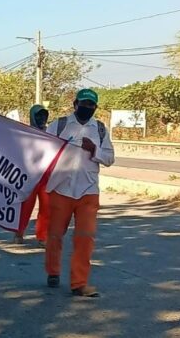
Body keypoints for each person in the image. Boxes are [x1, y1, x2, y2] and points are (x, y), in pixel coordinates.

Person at [44, 89, 115, 298]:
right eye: (84, 103)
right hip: (60, 188)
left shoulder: (100, 129)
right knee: (55, 235)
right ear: (75, 104)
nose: (87, 108)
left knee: (85, 238)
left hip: (88, 191)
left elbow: (110, 158)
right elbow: (41, 150)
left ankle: (79, 283)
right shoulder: (59, 125)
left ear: (96, 108)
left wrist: (95, 151)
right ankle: (53, 271)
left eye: (92, 105)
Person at [14, 104, 50, 246]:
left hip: (46, 176)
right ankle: (18, 232)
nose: (41, 118)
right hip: (28, 176)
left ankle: (43, 236)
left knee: (47, 207)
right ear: (32, 116)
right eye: (38, 115)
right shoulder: (25, 133)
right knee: (25, 207)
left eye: (44, 115)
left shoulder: (51, 134)